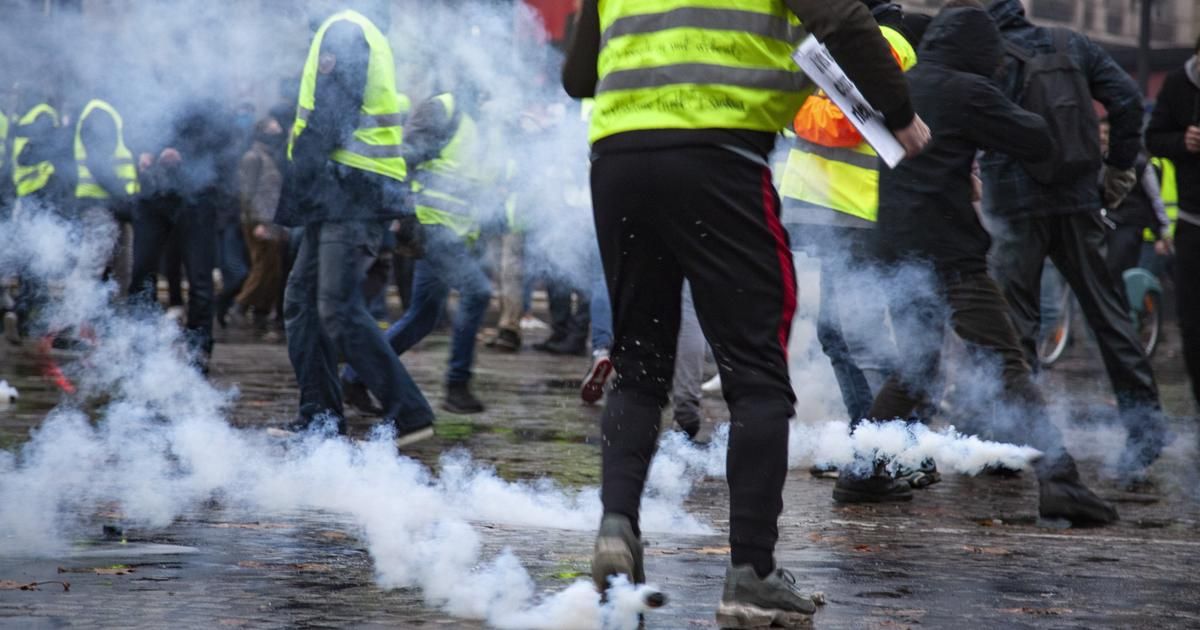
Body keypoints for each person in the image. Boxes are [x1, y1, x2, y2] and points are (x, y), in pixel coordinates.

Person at [563, 0, 929, 625]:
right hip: (720, 156)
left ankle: (616, 526)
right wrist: (901, 116)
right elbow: (845, 19)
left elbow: (577, 77)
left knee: (639, 361)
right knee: (756, 371)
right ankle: (751, 573)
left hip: (619, 160)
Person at [839, 2, 1118, 528]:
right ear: (979, 53)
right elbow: (1034, 137)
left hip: (893, 245)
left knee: (918, 367)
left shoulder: (907, 82)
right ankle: (1060, 479)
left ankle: (862, 472)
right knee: (1005, 360)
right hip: (949, 253)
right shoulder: (967, 90)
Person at [982, 0, 1166, 484]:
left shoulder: (983, 48)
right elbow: (1127, 98)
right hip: (1078, 196)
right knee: (1107, 314)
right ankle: (1145, 430)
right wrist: (1118, 169)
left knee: (1016, 324)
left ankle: (1017, 437)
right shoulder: (1071, 43)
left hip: (1015, 203)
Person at [270, 3, 434, 446]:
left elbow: (330, 115)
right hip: (335, 191)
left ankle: (410, 413)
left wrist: (296, 180)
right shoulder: (347, 27)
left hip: (350, 190)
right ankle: (321, 419)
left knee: (336, 307)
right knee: (302, 304)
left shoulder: (344, 29)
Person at [779, 1, 925, 478]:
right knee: (841, 335)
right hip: (835, 213)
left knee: (853, 337)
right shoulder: (852, 40)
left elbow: (842, 122)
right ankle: (876, 443)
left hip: (852, 213)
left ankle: (890, 446)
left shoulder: (887, 44)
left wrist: (786, 101)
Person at [342, 91, 493, 415]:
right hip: (431, 226)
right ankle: (456, 385)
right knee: (478, 291)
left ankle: (354, 376)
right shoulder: (446, 108)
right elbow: (405, 158)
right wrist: (402, 214)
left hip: (455, 231)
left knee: (422, 318)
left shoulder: (486, 126)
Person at [128, 102, 237, 374]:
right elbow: (134, 128)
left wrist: (184, 153)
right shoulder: (149, 85)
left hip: (196, 196)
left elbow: (223, 138)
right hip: (153, 194)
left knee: (200, 279)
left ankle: (198, 350)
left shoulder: (207, 93)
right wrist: (143, 153)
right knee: (142, 272)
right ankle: (141, 347)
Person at [1146, 35, 1200, 411]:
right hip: (1192, 221)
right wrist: (1183, 141)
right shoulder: (1179, 83)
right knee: (1192, 321)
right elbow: (1154, 138)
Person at [72, 97, 140, 296]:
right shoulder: (100, 113)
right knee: (91, 270)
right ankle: (75, 318)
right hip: (102, 204)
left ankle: (112, 324)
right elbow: (98, 163)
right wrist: (121, 199)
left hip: (114, 205)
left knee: (122, 274)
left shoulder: (109, 112)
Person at [233, 115, 288, 338]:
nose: (277, 131)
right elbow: (246, 193)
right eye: (272, 128)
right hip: (258, 222)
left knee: (273, 270)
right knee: (262, 267)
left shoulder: (271, 157)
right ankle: (239, 306)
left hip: (272, 221)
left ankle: (260, 313)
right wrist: (257, 222)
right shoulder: (252, 157)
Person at [1100, 118, 1170, 281]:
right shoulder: (1097, 161)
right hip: (1105, 226)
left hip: (1130, 227)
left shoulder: (1140, 163)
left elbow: (1155, 199)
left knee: (1119, 273)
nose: (1102, 137)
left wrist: (1163, 232)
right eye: (1101, 132)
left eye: (1107, 133)